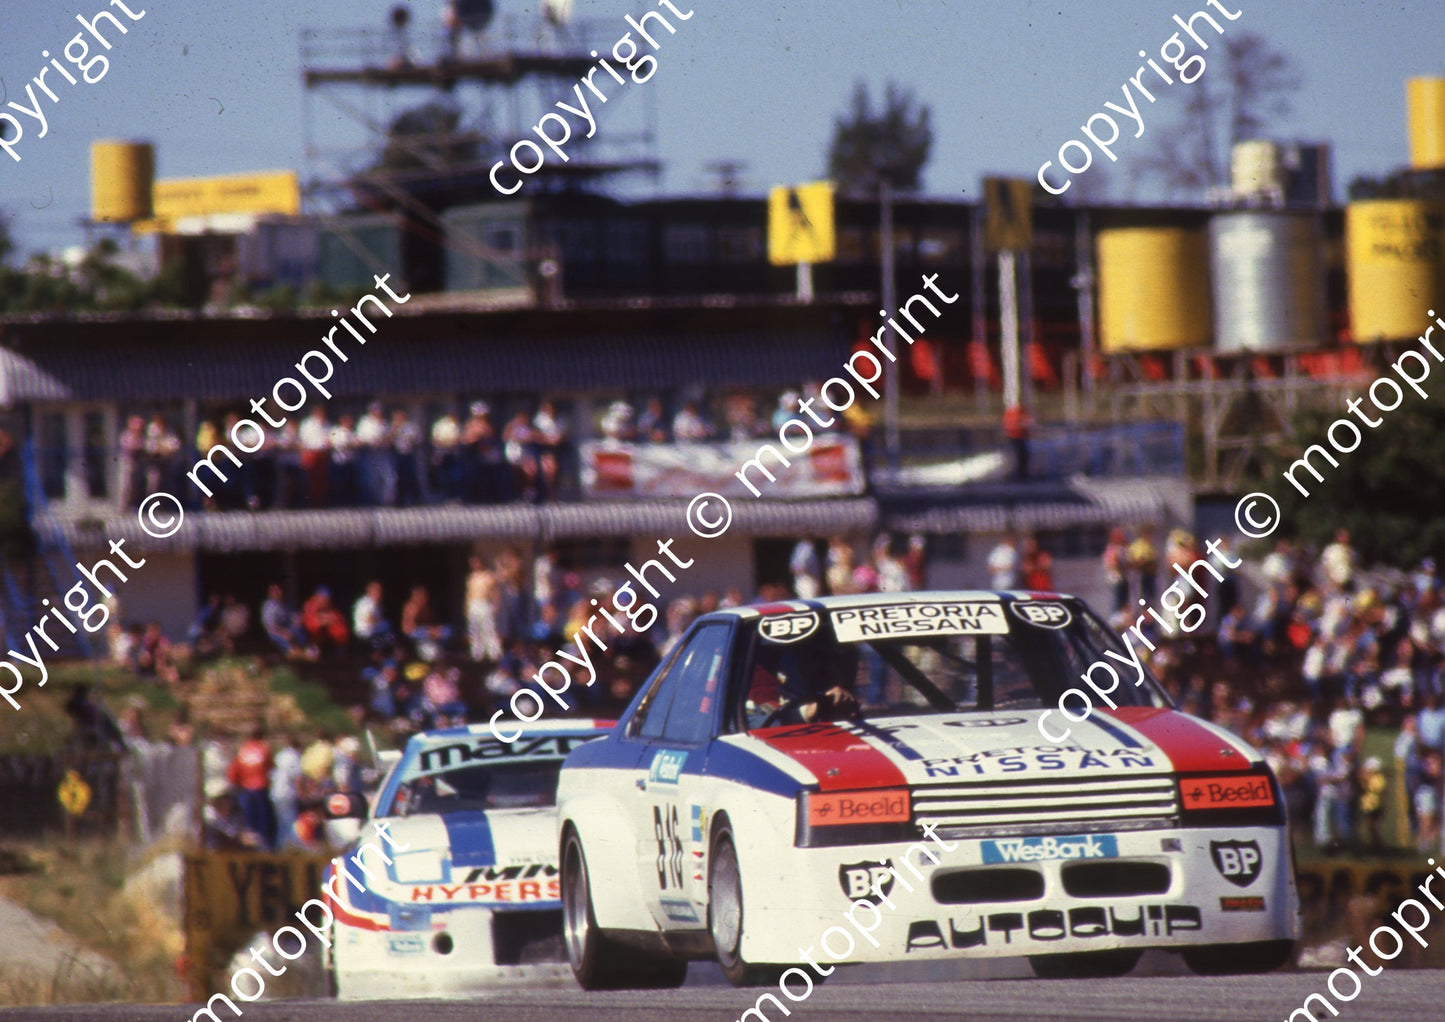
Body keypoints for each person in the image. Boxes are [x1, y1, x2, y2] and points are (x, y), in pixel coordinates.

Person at [226, 726, 277, 851]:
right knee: (262, 822)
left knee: (249, 823)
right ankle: (264, 849)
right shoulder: (265, 749)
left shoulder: (242, 750)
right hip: (260, 789)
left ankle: (250, 849)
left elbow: (233, 772)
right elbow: (271, 768)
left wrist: (237, 783)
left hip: (245, 790)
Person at [1003, 403, 1032, 481]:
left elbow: (1027, 423)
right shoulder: (1013, 413)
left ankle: (1021, 473)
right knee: (1019, 455)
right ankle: (1019, 474)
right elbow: (1022, 423)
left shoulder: (1020, 412)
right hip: (1015, 436)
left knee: (1022, 455)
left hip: (1019, 436)